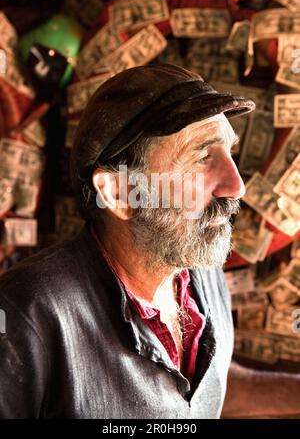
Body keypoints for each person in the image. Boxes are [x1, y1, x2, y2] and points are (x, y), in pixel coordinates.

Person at [0, 63, 299, 419]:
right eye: (203, 157)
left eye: (228, 153)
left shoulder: (198, 269)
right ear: (119, 194)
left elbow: (203, 393)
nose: (237, 185)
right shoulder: (26, 315)